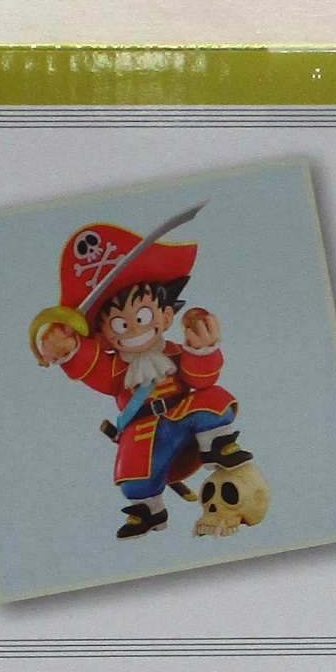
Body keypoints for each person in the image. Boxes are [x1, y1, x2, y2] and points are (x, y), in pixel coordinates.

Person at [34, 223, 252, 538]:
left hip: (184, 418)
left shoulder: (174, 353)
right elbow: (92, 367)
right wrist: (70, 349)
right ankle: (148, 511)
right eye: (120, 324)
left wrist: (202, 349)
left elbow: (200, 377)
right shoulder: (115, 369)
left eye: (143, 317)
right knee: (133, 474)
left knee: (212, 396)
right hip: (144, 435)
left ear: (166, 317)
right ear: (105, 336)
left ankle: (216, 445)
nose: (135, 329)